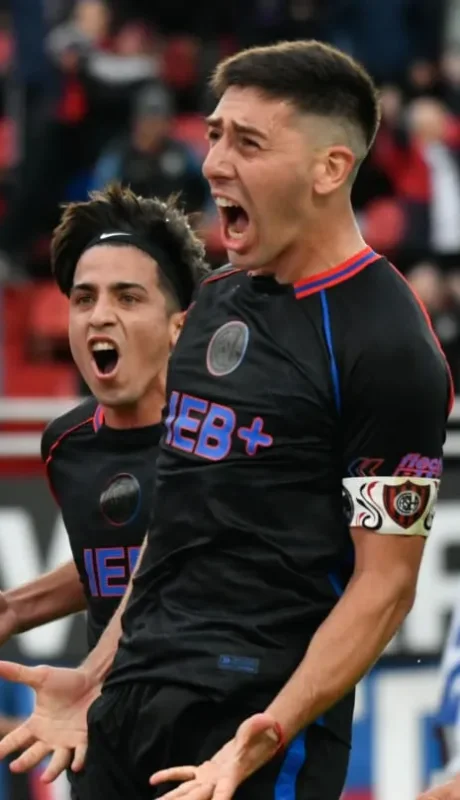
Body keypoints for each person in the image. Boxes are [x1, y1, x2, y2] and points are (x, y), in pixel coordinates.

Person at [0, 40, 452, 800]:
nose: (213, 163)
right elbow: (172, 528)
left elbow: (385, 588)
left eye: (247, 142)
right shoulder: (213, 302)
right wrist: (95, 674)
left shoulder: (389, 346)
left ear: (329, 169)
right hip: (127, 708)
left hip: (248, 728)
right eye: (212, 134)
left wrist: (266, 734)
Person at [0, 183, 206, 776]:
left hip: (212, 732)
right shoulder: (66, 445)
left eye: (128, 296)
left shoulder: (224, 443)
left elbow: (171, 557)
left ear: (177, 326)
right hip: (99, 732)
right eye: (83, 298)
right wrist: (16, 608)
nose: (101, 315)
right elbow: (113, 558)